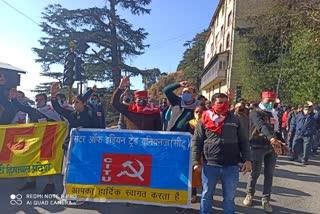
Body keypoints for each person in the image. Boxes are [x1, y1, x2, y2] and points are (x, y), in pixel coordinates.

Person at [192, 93, 252, 214]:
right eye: (220, 102)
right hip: (210, 164)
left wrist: (247, 159)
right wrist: (196, 161)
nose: (224, 105)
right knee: (206, 196)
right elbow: (197, 142)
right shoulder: (204, 119)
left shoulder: (235, 119)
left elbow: (244, 141)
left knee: (229, 198)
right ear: (213, 104)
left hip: (231, 166)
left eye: (226, 102)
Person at [243, 91, 289, 213]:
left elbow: (277, 131)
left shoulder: (274, 114)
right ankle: (250, 194)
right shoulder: (255, 112)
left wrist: (282, 142)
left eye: (273, 101)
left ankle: (266, 199)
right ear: (262, 99)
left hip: (272, 149)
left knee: (269, 174)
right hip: (257, 146)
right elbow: (261, 126)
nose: (271, 103)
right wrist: (272, 138)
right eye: (269, 101)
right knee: (255, 173)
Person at [186, 104, 205, 203]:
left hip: (205, 153)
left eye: (201, 112)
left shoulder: (209, 124)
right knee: (192, 174)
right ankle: (193, 194)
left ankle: (205, 195)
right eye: (197, 112)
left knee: (204, 176)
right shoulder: (189, 124)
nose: (199, 114)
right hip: (192, 153)